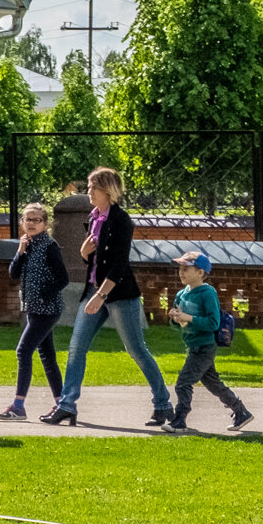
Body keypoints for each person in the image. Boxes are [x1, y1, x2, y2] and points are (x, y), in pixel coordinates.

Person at [43, 167, 175, 427]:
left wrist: (100, 296)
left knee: (136, 349)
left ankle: (163, 405)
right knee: (76, 347)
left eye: (93, 187)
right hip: (94, 289)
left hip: (119, 293)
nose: (88, 191)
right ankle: (66, 405)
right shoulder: (93, 218)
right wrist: (83, 252)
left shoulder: (121, 220)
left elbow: (118, 264)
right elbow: (95, 261)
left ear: (107, 190)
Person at [0, 201, 69, 420]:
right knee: (47, 355)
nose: (31, 223)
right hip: (33, 309)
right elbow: (13, 274)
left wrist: (44, 294)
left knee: (23, 350)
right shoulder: (27, 244)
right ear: (22, 222)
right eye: (27, 219)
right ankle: (63, 405)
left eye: (36, 220)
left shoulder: (49, 246)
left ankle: (18, 406)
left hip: (47, 309)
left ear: (45, 224)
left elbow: (63, 278)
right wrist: (20, 252)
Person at [166, 251, 252, 433]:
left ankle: (179, 420)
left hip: (204, 346)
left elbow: (213, 323)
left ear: (200, 272)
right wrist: (175, 318)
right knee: (213, 384)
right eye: (180, 268)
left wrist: (188, 317)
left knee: (183, 383)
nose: (181, 272)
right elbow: (177, 325)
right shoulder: (181, 294)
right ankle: (241, 411)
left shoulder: (207, 293)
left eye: (186, 269)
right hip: (192, 345)